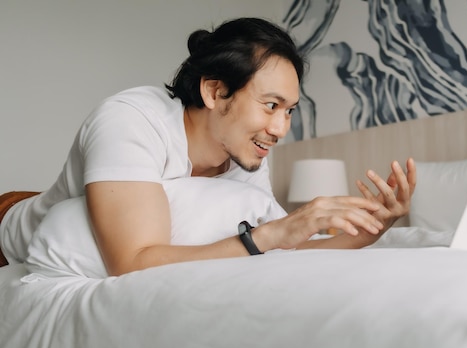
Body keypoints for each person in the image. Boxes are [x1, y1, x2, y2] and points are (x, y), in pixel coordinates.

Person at [0, 17, 416, 276]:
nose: (280, 127)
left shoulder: (245, 151)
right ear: (216, 91)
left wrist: (370, 231)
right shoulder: (130, 120)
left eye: (289, 110)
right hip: (11, 223)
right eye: (271, 105)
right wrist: (267, 235)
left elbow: (289, 250)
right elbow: (131, 264)